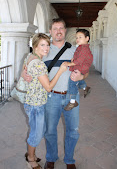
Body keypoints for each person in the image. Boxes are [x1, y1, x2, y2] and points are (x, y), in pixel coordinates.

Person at [23, 18, 88, 169]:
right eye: (55, 28)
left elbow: (86, 72)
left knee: (73, 130)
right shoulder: (44, 49)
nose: (58, 31)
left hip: (71, 97)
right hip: (51, 96)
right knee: (50, 130)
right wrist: (23, 74)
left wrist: (81, 77)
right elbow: (29, 60)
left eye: (61, 28)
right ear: (50, 31)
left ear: (65, 31)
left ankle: (70, 160)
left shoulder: (76, 50)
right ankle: (51, 157)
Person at [23, 33, 67, 169]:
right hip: (36, 105)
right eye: (42, 45)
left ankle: (32, 153)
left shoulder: (30, 57)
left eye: (47, 45)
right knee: (37, 134)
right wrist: (61, 71)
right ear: (35, 46)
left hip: (30, 102)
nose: (46, 48)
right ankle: (30, 159)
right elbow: (48, 87)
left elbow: (23, 70)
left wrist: (24, 74)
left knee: (36, 130)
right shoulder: (39, 64)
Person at [63, 29, 93, 111]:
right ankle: (85, 88)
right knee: (77, 80)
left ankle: (72, 101)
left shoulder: (84, 49)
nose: (77, 39)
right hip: (81, 66)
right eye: (76, 37)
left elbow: (80, 60)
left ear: (87, 38)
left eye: (80, 37)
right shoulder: (81, 47)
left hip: (81, 66)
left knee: (72, 82)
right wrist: (74, 58)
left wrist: (70, 63)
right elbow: (78, 57)